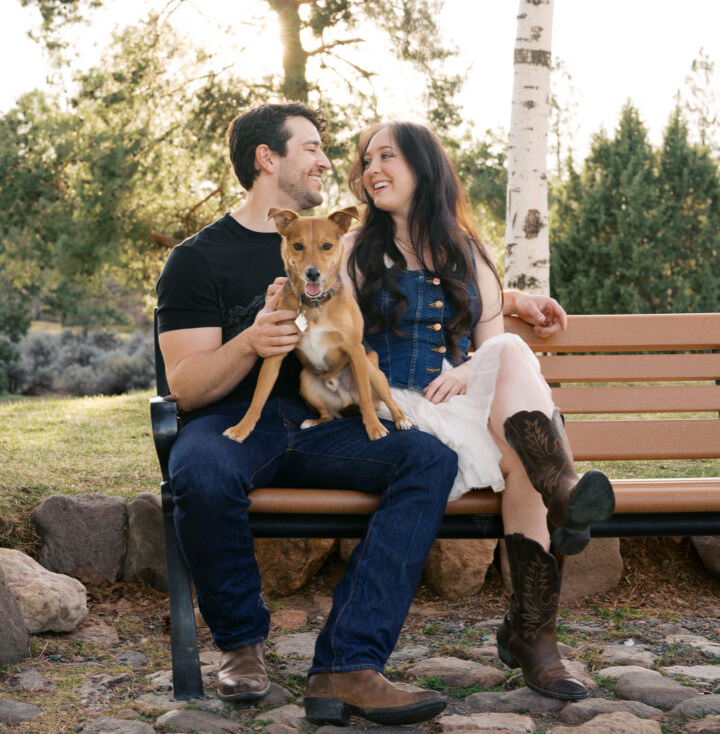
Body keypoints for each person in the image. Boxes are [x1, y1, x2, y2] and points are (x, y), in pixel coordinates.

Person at [156, 102, 569, 725]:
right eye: (313, 149)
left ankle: (349, 663)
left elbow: (415, 276)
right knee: (201, 469)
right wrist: (251, 341)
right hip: (236, 423)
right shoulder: (197, 259)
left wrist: (511, 297)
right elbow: (183, 387)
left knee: (427, 458)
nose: (330, 161)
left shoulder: (335, 238)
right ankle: (241, 644)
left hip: (329, 422)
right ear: (268, 159)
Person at [345, 120, 616, 701]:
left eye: (387, 156)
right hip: (403, 414)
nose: (372, 170)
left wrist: (470, 368)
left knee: (514, 390)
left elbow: (493, 344)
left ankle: (536, 635)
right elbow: (333, 335)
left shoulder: (467, 250)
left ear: (425, 167)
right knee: (529, 443)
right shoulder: (355, 250)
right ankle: (563, 493)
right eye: (366, 160)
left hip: (466, 407)